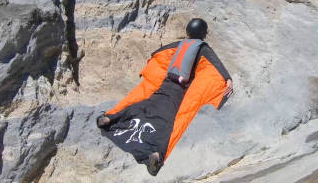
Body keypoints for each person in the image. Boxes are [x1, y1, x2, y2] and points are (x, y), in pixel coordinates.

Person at [96, 18, 233, 176]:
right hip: (178, 93)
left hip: (164, 85)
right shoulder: (203, 49)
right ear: (203, 33)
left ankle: (110, 119)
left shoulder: (180, 44)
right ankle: (157, 155)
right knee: (168, 125)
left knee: (141, 106)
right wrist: (227, 79)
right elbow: (216, 64)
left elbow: (159, 53)